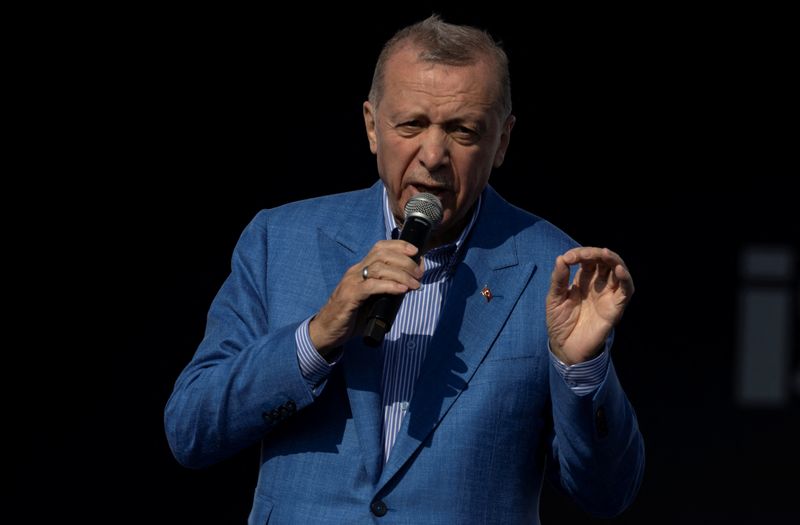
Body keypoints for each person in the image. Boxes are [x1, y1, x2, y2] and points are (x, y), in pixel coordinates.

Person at [165, 15, 644, 524]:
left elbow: (609, 494)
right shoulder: (279, 240)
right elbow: (191, 431)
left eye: (462, 131)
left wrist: (582, 372)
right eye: (411, 125)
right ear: (372, 126)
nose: (433, 155)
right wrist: (315, 338)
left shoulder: (556, 271)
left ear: (502, 142)